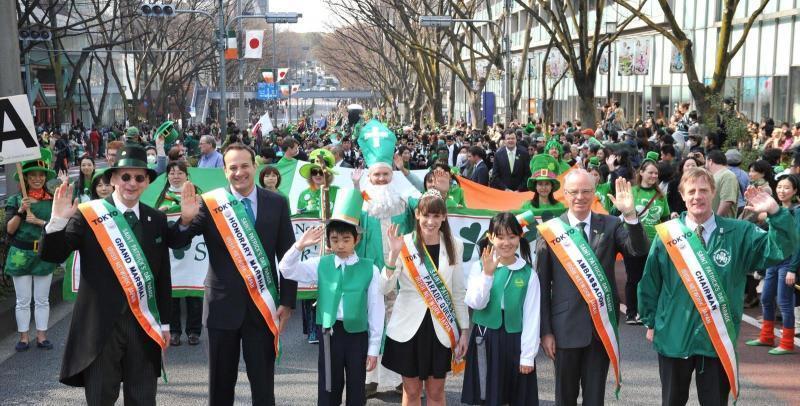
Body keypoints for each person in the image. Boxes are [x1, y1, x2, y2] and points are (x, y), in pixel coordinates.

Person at [638, 168, 797, 405]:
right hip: (673, 335)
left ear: (713, 192)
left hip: (717, 339)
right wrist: (651, 321)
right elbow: (650, 282)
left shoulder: (739, 232)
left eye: (703, 190)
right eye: (691, 191)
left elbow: (779, 250)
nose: (697, 196)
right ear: (682, 195)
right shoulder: (667, 235)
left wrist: (775, 213)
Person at [40, 144, 175, 405]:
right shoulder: (89, 215)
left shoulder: (156, 219)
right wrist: (56, 222)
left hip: (143, 324)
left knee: (143, 398)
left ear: (147, 181)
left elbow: (163, 276)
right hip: (100, 327)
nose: (131, 183)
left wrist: (166, 323)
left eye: (139, 177)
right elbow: (53, 255)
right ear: (112, 179)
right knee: (101, 398)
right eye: (125, 176)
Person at [172, 143, 296, 406]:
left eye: (244, 166)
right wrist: (184, 220)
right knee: (220, 386)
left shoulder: (276, 203)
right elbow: (177, 242)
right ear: (225, 171)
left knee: (263, 386)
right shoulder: (210, 204)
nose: (239, 172)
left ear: (255, 166)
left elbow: (289, 256)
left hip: (263, 308)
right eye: (233, 167)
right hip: (221, 308)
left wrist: (287, 301)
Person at [536, 171, 648, 405]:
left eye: (586, 191)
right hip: (564, 328)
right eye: (574, 192)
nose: (580, 196)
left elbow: (637, 250)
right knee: (564, 398)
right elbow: (542, 285)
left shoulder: (611, 224)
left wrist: (630, 215)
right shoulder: (551, 230)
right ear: (565, 194)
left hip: (601, 328)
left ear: (594, 193)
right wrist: (545, 331)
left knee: (595, 398)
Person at [278, 190, 384, 405]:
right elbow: (286, 269)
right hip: (329, 334)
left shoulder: (369, 268)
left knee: (356, 389)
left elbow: (376, 310)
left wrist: (374, 348)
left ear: (357, 239)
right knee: (328, 388)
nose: (341, 245)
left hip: (357, 335)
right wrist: (299, 246)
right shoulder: (321, 264)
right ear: (328, 241)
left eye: (346, 239)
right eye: (335, 240)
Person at [382, 190, 469, 406]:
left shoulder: (455, 245)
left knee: (436, 391)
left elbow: (458, 290)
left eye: (436, 216)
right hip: (407, 327)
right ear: (417, 214)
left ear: (444, 217)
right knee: (411, 392)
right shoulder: (403, 243)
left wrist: (464, 331)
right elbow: (385, 288)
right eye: (426, 215)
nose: (430, 222)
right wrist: (392, 258)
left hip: (441, 326)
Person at [462, 213, 540, 406]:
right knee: (487, 397)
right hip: (485, 339)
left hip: (516, 340)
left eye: (512, 236)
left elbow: (532, 317)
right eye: (501, 237)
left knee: (517, 398)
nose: (506, 242)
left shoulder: (529, 273)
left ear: (520, 237)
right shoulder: (478, 267)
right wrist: (487, 276)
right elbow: (475, 303)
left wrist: (528, 357)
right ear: (490, 237)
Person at [6, 151, 58, 351]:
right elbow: (10, 229)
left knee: (42, 299)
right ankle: (23, 337)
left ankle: (42, 336)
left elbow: (59, 226)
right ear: (25, 177)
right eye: (33, 175)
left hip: (44, 255)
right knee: (22, 300)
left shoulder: (52, 201)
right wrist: (20, 210)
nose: (38, 178)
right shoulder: (16, 200)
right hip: (20, 255)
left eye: (41, 175)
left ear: (45, 178)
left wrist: (40, 222)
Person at [746, 173, 798, 354]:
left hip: (787, 262)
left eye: (787, 188)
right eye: (780, 187)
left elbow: (797, 241)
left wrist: (793, 268)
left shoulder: (797, 212)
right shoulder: (773, 210)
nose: (782, 191)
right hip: (773, 261)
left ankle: (787, 342)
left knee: (784, 301)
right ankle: (767, 337)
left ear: (795, 191)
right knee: (766, 298)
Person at [154, 161, 203, 346]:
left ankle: (194, 331)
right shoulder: (161, 198)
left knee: (193, 291)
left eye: (179, 173)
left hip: (194, 252)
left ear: (186, 175)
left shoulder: (197, 195)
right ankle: (174, 331)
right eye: (172, 173)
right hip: (170, 253)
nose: (175, 176)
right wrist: (159, 212)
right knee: (171, 292)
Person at [623, 157, 670, 324]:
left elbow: (665, 218)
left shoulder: (660, 195)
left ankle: (647, 312)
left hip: (655, 243)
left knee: (651, 278)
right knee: (634, 277)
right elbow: (619, 211)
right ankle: (631, 312)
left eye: (656, 173)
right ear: (641, 173)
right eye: (650, 172)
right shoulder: (632, 191)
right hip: (634, 242)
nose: (653, 175)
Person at [520, 154, 566, 221]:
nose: (544, 187)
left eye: (547, 184)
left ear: (551, 186)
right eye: (540, 184)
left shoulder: (560, 207)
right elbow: (522, 229)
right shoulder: (526, 207)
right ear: (535, 186)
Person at [297, 149, 340, 214]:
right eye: (314, 172)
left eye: (321, 172)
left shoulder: (337, 191)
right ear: (310, 175)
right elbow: (299, 219)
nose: (318, 175)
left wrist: (356, 183)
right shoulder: (303, 194)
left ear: (328, 174)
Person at [705, 150, 740, 218]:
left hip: (722, 225)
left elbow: (727, 201)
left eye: (705, 161)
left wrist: (716, 220)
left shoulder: (728, 175)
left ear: (710, 161)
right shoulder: (715, 176)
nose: (705, 164)